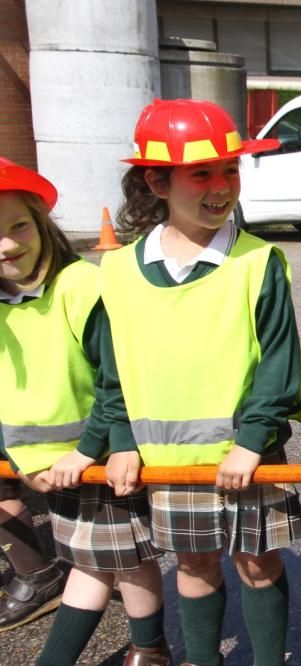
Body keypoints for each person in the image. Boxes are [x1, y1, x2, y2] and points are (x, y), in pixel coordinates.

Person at [101, 99, 301, 666]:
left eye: (231, 170)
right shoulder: (118, 270)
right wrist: (120, 439)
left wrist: (253, 438)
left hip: (246, 454)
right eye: (202, 173)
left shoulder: (258, 261)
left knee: (257, 563)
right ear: (157, 181)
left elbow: (278, 362)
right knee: (193, 564)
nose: (221, 186)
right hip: (168, 461)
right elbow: (111, 367)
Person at [0, 158, 167, 665]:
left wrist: (86, 450)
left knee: (122, 562)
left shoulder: (80, 286)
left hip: (94, 457)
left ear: (43, 223)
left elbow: (117, 381)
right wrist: (21, 459)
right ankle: (150, 648)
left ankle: (147, 649)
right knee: (97, 562)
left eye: (19, 227)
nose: (8, 245)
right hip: (45, 468)